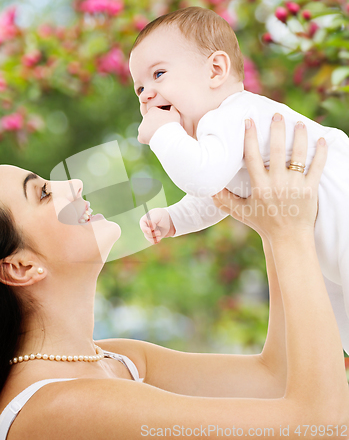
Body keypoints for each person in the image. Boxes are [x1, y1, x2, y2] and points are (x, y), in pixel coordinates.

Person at [0, 116, 347, 439]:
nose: (73, 184)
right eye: (43, 193)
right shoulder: (61, 406)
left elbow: (276, 378)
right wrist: (291, 233)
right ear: (21, 267)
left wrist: (272, 221)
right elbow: (322, 426)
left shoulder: (116, 360)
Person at [130, 6, 349, 355]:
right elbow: (216, 194)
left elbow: (203, 178)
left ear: (216, 70)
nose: (145, 95)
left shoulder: (232, 113)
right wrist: (175, 218)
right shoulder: (220, 138)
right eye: (139, 87)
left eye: (158, 74)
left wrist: (163, 135)